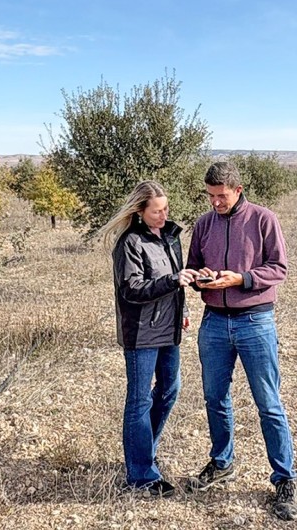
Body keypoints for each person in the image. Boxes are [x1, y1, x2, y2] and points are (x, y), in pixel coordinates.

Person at [184, 161, 297, 521]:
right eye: (210, 196)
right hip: (214, 323)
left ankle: (284, 479)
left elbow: (278, 268)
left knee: (269, 403)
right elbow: (193, 266)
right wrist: (202, 278)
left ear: (238, 189)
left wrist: (241, 279)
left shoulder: (264, 219)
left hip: (255, 321)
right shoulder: (204, 224)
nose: (215, 202)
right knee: (215, 397)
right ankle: (221, 462)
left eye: (221, 196)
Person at [99, 180, 199, 497]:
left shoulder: (171, 236)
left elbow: (175, 283)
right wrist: (173, 280)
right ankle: (141, 474)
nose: (163, 215)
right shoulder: (129, 243)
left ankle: (143, 453)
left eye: (166, 208)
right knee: (140, 400)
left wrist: (181, 306)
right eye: (157, 211)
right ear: (140, 211)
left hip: (168, 328)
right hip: (141, 331)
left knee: (170, 389)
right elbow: (131, 290)